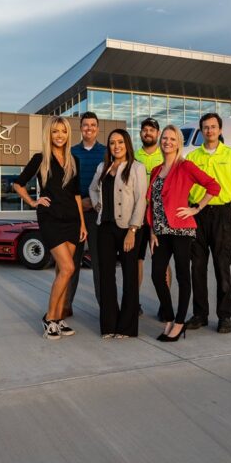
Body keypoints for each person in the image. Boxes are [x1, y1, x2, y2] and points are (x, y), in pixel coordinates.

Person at [13, 117, 87, 340]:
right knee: (68, 269)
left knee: (61, 272)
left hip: (72, 220)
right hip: (51, 220)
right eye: (55, 131)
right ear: (49, 134)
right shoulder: (40, 159)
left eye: (63, 131)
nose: (60, 135)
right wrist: (33, 202)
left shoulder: (74, 160)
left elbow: (76, 194)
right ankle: (49, 319)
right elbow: (18, 183)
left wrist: (83, 223)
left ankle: (58, 317)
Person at [146, 124, 220, 342]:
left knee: (181, 275)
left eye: (172, 138)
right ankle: (168, 318)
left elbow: (213, 187)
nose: (167, 141)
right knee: (157, 274)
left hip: (181, 229)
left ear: (178, 142)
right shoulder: (158, 169)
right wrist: (152, 231)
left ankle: (179, 322)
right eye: (165, 138)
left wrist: (195, 208)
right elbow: (153, 202)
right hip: (160, 231)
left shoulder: (185, 166)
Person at [186, 113, 231, 334]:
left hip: (222, 214)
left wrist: (228, 204)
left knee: (222, 267)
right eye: (206, 127)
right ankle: (200, 315)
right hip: (198, 214)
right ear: (201, 131)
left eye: (213, 127)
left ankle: (224, 317)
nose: (210, 131)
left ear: (220, 130)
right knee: (198, 267)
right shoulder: (193, 157)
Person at [89, 129, 147, 338]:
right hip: (104, 227)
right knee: (106, 277)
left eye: (120, 142)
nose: (116, 146)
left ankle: (127, 327)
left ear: (127, 144)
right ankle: (109, 325)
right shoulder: (102, 167)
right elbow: (92, 189)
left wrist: (133, 230)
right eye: (112, 143)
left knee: (130, 277)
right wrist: (97, 206)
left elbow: (141, 200)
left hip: (128, 229)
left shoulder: (137, 168)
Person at [65, 112, 107, 316]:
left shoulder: (106, 152)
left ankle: (104, 306)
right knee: (71, 262)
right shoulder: (71, 152)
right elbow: (67, 183)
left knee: (100, 263)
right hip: (75, 213)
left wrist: (96, 202)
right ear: (80, 128)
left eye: (93, 125)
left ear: (98, 128)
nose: (89, 128)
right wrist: (80, 202)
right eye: (85, 125)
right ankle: (66, 305)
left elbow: (110, 183)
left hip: (98, 214)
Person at [133, 117, 169, 318]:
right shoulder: (133, 156)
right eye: (144, 129)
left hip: (159, 217)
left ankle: (165, 304)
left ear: (158, 133)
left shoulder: (165, 156)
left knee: (162, 261)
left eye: (152, 130)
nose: (148, 133)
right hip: (138, 216)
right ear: (141, 133)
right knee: (137, 260)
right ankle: (135, 302)